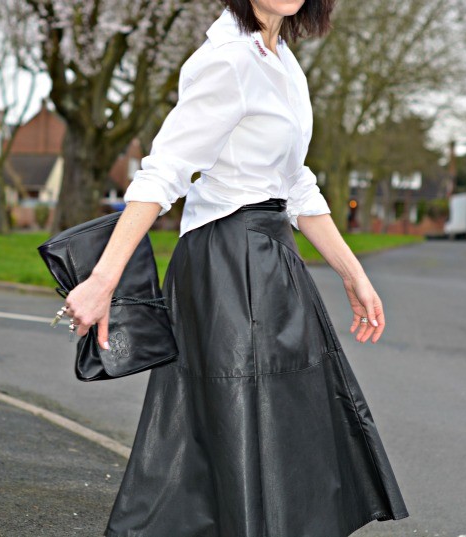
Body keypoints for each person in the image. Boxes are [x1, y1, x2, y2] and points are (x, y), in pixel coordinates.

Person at [60, 1, 409, 535]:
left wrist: (352, 272)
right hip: (228, 261)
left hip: (271, 254)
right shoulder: (226, 60)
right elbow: (165, 169)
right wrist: (104, 280)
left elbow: (295, 182)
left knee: (282, 423)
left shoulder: (283, 61)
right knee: (235, 425)